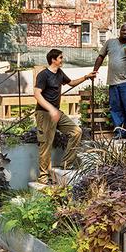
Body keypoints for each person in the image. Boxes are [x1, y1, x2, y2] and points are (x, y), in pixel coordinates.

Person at [34, 49, 96, 184]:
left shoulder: (60, 73)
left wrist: (86, 77)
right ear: (53, 60)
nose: (63, 60)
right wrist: (51, 110)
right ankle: (43, 177)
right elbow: (37, 94)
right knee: (46, 143)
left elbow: (71, 83)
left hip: (56, 112)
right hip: (44, 113)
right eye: (61, 57)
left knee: (76, 131)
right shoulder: (43, 75)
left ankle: (66, 163)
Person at [93, 23, 126, 139]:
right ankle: (119, 132)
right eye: (123, 30)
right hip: (113, 82)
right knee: (115, 108)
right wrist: (94, 71)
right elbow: (100, 57)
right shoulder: (110, 42)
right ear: (120, 31)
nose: (125, 32)